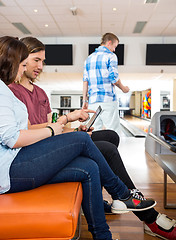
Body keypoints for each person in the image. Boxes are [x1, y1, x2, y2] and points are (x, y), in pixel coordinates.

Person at [9, 37, 176, 240]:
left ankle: (105, 198)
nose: (40, 66)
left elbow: (50, 127)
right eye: (36, 60)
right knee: (106, 149)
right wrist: (67, 121)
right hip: (36, 151)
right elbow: (28, 132)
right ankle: (143, 213)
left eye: (43, 61)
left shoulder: (41, 92)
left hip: (48, 143)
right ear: (21, 58)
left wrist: (73, 129)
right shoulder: (12, 92)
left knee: (110, 136)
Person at [82, 32, 129, 134]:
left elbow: (85, 81)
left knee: (94, 132)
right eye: (114, 46)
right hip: (108, 100)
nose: (114, 49)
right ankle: (112, 150)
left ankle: (97, 150)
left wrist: (85, 101)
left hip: (93, 102)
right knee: (113, 132)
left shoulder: (88, 59)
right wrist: (124, 88)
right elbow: (114, 78)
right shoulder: (111, 56)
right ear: (109, 43)